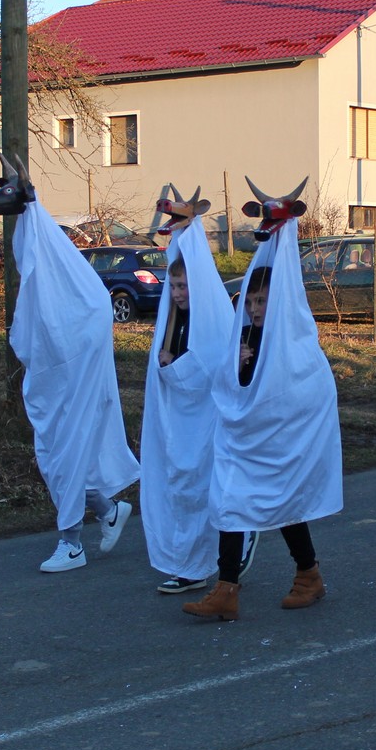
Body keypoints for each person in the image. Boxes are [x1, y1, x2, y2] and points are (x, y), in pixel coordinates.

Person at [184, 198, 343, 621]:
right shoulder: (246, 333)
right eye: (250, 301)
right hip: (246, 436)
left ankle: (308, 575)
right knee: (231, 499)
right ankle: (227, 589)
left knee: (283, 502)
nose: (254, 309)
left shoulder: (292, 337)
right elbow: (233, 384)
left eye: (262, 301)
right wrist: (237, 368)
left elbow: (300, 386)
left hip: (281, 437)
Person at [7, 193, 139, 573]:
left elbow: (87, 326)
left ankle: (71, 542)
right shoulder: (43, 290)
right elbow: (32, 336)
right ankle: (107, 509)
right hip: (51, 391)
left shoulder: (82, 291)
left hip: (81, 390)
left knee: (70, 459)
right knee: (53, 463)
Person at [140, 225, 255, 594]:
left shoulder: (214, 318)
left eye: (183, 287)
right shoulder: (172, 321)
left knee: (201, 487)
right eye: (172, 287)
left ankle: (209, 561)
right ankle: (187, 563)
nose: (177, 294)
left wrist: (177, 366)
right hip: (177, 423)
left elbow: (211, 367)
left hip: (205, 421)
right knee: (180, 487)